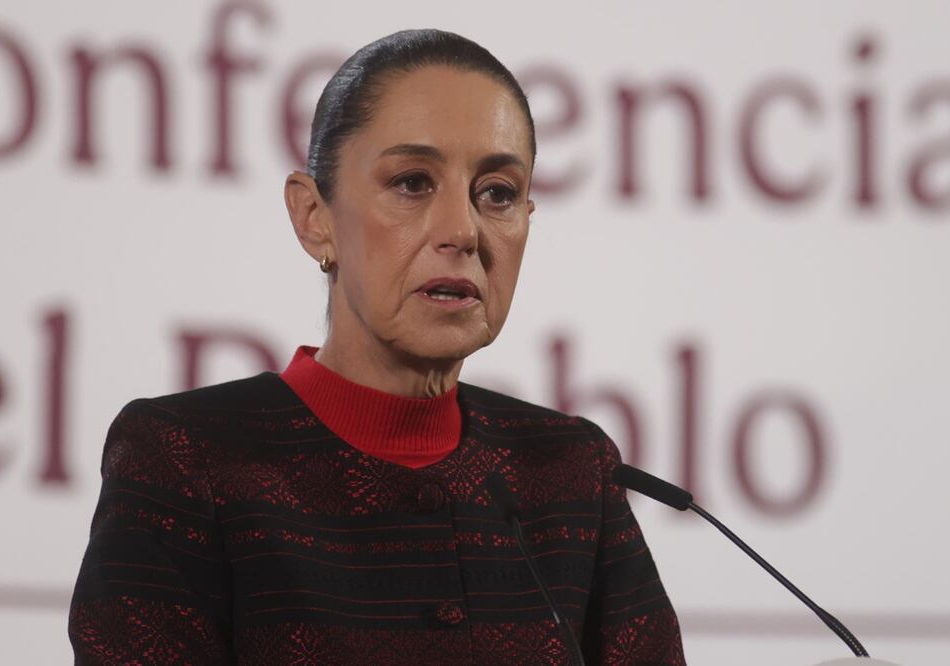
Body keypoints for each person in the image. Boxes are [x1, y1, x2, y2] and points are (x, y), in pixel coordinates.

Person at [68, 29, 686, 665]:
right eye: (413, 182)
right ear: (315, 217)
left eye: (498, 192)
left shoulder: (573, 473)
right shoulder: (184, 459)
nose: (462, 232)